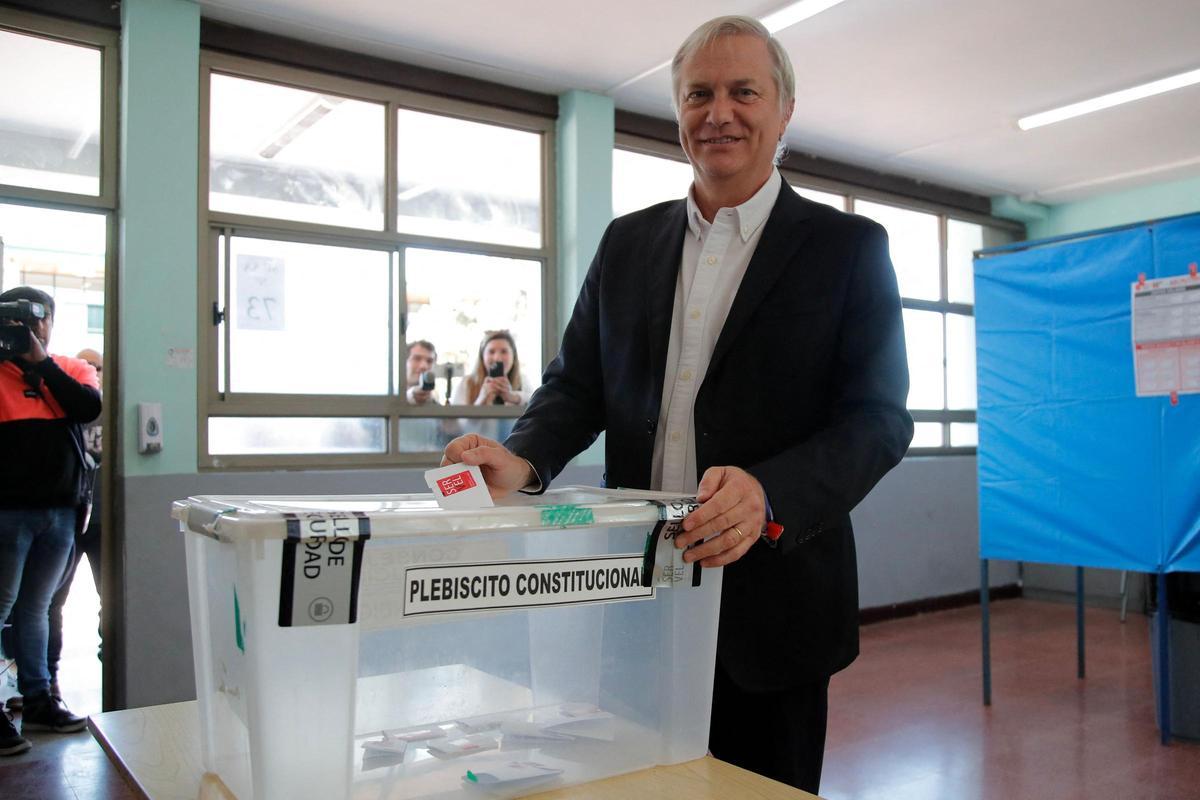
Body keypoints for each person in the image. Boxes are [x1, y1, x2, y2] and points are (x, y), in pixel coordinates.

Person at [441, 16, 912, 795]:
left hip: (776, 615)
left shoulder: (847, 250)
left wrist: (770, 494)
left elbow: (879, 420)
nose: (718, 112)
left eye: (743, 92)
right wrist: (521, 460)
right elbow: (575, 385)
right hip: (641, 605)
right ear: (678, 109)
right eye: (699, 93)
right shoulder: (627, 245)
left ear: (784, 109)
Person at [0, 287, 99, 755]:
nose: (23, 328)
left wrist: (39, 363)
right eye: (12, 319)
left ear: (48, 323)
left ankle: (38, 699)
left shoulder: (70, 368)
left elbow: (86, 408)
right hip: (6, 512)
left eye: (32, 319)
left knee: (36, 608)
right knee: (0, 607)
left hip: (59, 511)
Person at [404, 340, 440, 406]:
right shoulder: (385, 397)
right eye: (417, 359)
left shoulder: (436, 405)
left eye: (429, 361)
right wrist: (410, 396)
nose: (424, 366)